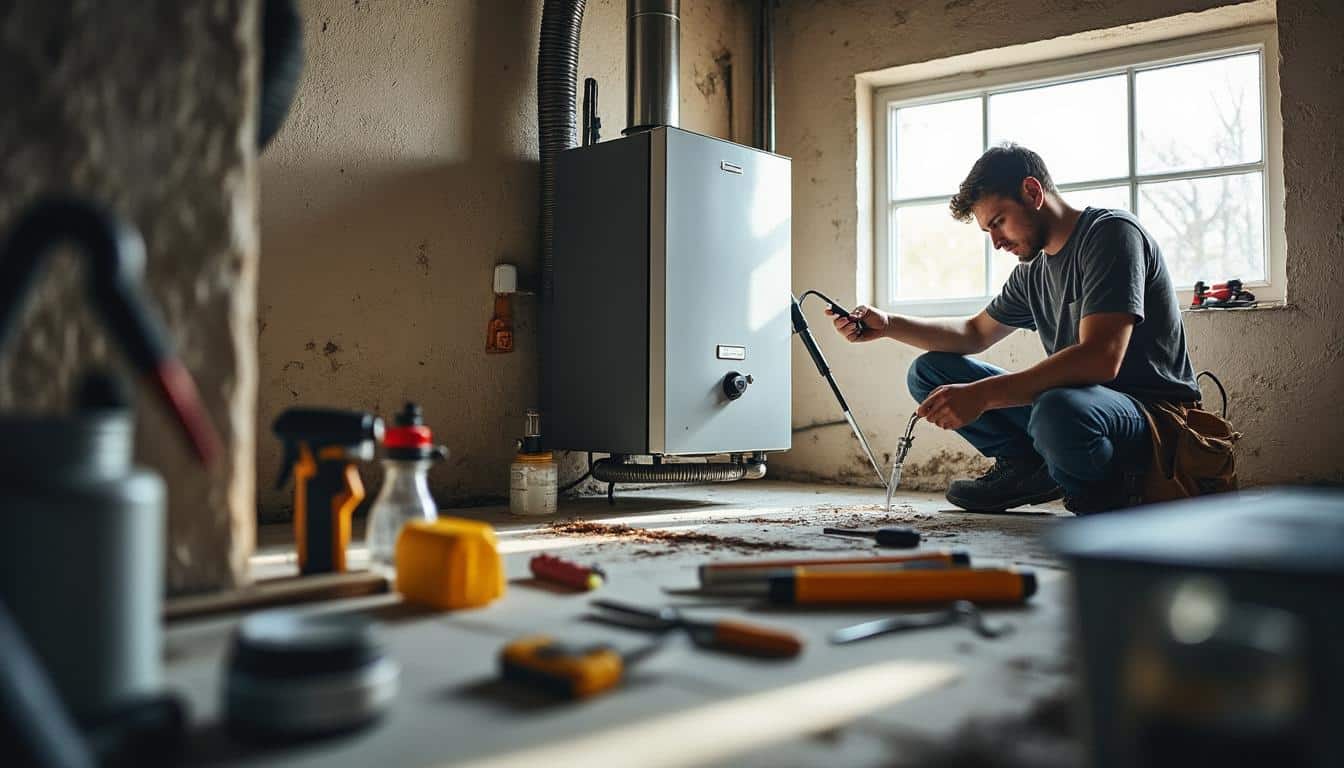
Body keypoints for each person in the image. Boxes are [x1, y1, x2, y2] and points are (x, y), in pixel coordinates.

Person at [830, 143, 1200, 513]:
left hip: (1148, 420)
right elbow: (974, 334)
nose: (996, 242)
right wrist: (889, 325)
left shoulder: (1110, 234)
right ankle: (1029, 467)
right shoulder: (1032, 272)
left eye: (998, 222)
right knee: (929, 373)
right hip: (1077, 409)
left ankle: (1103, 497)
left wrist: (983, 395)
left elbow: (1100, 360)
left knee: (1057, 411)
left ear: (1033, 192)